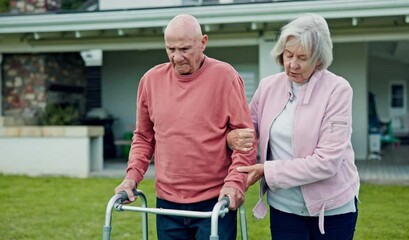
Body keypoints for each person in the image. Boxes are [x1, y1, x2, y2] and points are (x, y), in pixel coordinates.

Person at [114, 14, 257, 240]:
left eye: (184, 49)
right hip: (167, 203)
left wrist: (235, 184)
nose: (177, 57)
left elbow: (246, 141)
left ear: (203, 43)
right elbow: (143, 138)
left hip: (216, 201)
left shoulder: (225, 76)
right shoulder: (150, 81)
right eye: (170, 49)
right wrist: (131, 177)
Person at [227, 13, 360, 239]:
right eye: (288, 55)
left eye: (302, 57)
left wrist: (267, 170)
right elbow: (249, 132)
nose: (293, 64)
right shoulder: (268, 87)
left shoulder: (338, 90)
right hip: (284, 209)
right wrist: (232, 138)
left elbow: (327, 163)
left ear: (318, 59)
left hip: (332, 209)